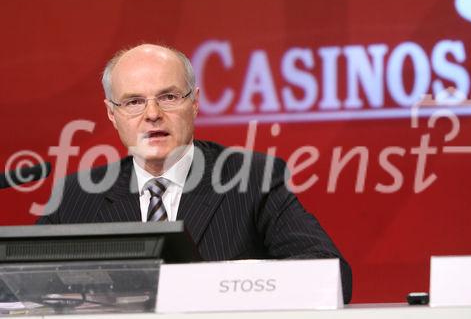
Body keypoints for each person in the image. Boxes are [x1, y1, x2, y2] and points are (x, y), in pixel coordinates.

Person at [37, 44, 352, 303]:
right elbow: (24, 285)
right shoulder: (77, 195)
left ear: (195, 103)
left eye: (169, 97)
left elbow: (332, 273)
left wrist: (216, 287)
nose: (152, 114)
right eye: (134, 102)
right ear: (112, 113)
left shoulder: (251, 178)